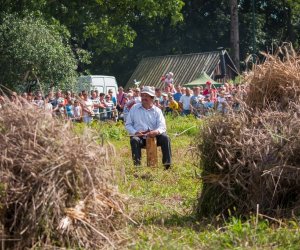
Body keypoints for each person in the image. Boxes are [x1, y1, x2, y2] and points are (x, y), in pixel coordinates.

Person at [125, 86, 172, 169]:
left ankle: (167, 165)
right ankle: (137, 167)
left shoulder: (157, 110)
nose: (144, 98)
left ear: (152, 97)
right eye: (142, 95)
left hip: (154, 137)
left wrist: (156, 132)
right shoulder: (134, 108)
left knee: (165, 138)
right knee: (134, 140)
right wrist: (135, 132)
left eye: (146, 96)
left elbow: (162, 126)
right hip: (140, 137)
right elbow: (128, 124)